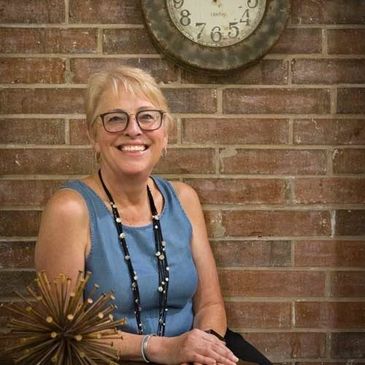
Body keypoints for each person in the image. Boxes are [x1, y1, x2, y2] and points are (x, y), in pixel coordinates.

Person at [35, 66, 272, 365]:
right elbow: (62, 331)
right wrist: (162, 349)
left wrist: (201, 349)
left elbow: (210, 303)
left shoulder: (184, 199)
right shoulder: (70, 209)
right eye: (115, 118)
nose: (133, 129)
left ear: (165, 133)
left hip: (194, 346)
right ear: (92, 134)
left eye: (147, 116)